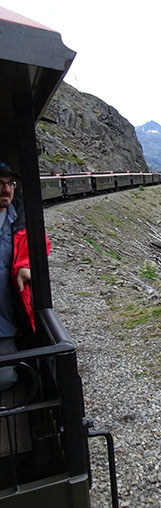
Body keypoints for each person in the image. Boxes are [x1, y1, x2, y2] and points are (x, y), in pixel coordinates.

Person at [0, 161, 39, 391]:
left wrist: (25, 264)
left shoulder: (22, 216)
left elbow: (40, 244)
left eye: (10, 184)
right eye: (0, 184)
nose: (6, 189)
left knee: (6, 380)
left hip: (10, 316)